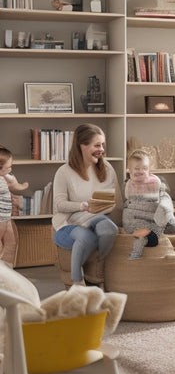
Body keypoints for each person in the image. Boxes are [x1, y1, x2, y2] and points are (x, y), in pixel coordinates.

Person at [52, 123, 122, 286]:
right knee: (86, 237)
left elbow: (113, 202)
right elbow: (59, 204)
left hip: (94, 217)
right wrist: (83, 206)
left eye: (102, 145)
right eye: (97, 145)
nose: (102, 149)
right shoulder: (64, 172)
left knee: (109, 231)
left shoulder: (107, 168)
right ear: (81, 146)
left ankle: (94, 267)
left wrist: (102, 207)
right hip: (68, 222)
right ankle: (77, 280)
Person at [122, 149, 175, 260]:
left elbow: (164, 197)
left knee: (173, 223)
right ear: (129, 170)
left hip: (153, 216)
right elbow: (127, 206)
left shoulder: (155, 182)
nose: (140, 171)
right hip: (135, 217)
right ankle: (144, 241)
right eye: (136, 168)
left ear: (149, 170)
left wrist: (163, 209)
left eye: (144, 168)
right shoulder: (128, 185)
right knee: (138, 232)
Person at [0, 146, 29, 267]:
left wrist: (22, 186)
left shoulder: (5, 176)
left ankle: (8, 270)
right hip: (0, 217)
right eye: (8, 167)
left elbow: (15, 185)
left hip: (7, 217)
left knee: (12, 242)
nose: (10, 169)